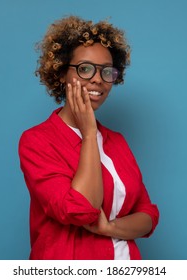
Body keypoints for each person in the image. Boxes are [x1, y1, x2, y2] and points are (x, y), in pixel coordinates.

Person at [18, 15, 159, 260]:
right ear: (62, 73)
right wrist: (89, 133)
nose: (97, 79)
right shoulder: (37, 141)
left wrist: (109, 228)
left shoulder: (117, 141)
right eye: (85, 68)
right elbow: (81, 210)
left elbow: (147, 215)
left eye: (107, 71)